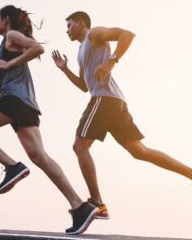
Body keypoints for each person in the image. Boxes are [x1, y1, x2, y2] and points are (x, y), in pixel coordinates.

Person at [0, 5, 98, 235]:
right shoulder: (2, 48)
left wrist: (8, 63)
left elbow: (37, 49)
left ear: (6, 20)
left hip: (15, 101)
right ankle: (80, 207)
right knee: (41, 157)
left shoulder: (12, 35)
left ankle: (12, 167)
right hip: (23, 104)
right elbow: (0, 87)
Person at [52, 11, 192, 220]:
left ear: (81, 24)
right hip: (114, 101)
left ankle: (98, 204)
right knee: (139, 151)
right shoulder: (81, 52)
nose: (67, 30)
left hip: (104, 99)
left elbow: (127, 35)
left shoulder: (95, 34)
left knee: (79, 146)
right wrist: (65, 70)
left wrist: (111, 62)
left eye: (70, 25)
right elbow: (84, 86)